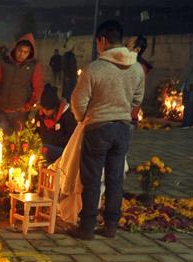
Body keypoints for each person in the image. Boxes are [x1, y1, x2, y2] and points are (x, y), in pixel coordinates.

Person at [69, 20, 144, 240]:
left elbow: (78, 100)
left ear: (102, 40)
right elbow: (138, 99)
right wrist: (123, 110)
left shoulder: (95, 68)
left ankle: (87, 227)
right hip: (122, 128)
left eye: (97, 43)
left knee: (91, 179)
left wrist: (84, 117)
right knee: (115, 178)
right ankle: (111, 225)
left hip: (98, 128)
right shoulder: (137, 68)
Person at [0, 35, 43, 135]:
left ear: (30, 53)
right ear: (15, 49)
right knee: (0, 139)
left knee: (17, 142)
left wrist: (28, 105)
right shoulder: (4, 62)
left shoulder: (33, 66)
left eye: (25, 52)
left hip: (20, 112)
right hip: (1, 110)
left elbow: (38, 88)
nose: (21, 54)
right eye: (19, 50)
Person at [35, 84, 76, 162]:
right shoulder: (39, 115)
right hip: (43, 148)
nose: (46, 111)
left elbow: (71, 138)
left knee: (45, 150)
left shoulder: (66, 115)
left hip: (62, 151)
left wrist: (52, 139)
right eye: (44, 108)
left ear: (55, 107)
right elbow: (35, 131)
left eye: (49, 109)